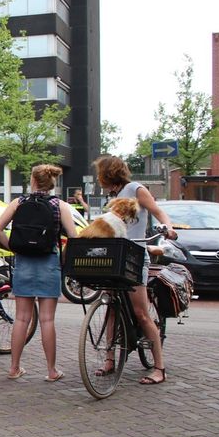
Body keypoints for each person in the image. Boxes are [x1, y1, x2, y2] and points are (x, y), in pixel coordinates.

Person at [94, 155, 177, 385]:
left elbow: (158, 212)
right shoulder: (114, 196)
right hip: (116, 256)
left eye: (100, 173)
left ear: (108, 173)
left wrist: (167, 227)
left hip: (135, 256)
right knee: (110, 309)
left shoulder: (136, 189)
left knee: (141, 313)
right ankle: (109, 359)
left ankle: (159, 368)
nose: (98, 178)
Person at [0, 164, 79, 381]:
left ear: (33, 181)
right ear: (52, 183)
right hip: (49, 263)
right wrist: (62, 256)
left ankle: (14, 368)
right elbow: (74, 237)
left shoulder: (18, 202)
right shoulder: (60, 205)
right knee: (47, 320)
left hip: (23, 263)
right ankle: (51, 370)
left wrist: (14, 247)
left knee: (22, 319)